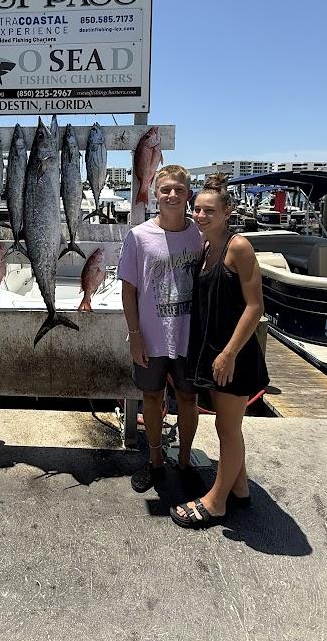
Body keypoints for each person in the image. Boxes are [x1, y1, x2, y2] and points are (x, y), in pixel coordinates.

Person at [170, 174, 268, 529]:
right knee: (229, 428)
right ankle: (238, 488)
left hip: (234, 355)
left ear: (227, 212)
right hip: (214, 352)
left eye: (209, 210)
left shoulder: (238, 247)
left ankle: (217, 502)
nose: (200, 215)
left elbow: (255, 307)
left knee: (228, 429)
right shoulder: (207, 247)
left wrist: (228, 354)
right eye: (197, 209)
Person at [118, 164, 203, 493]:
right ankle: (154, 461)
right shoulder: (139, 236)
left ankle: (183, 460)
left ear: (187, 194)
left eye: (179, 190)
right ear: (155, 193)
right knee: (151, 398)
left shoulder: (200, 235)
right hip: (151, 338)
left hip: (189, 337)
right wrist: (135, 336)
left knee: (188, 398)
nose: (172, 195)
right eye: (165, 189)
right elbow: (129, 291)